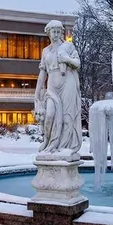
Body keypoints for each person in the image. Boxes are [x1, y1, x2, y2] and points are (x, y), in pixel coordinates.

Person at [34, 20, 82, 156]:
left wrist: (67, 59)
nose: (55, 34)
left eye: (58, 32)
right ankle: (48, 141)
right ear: (48, 33)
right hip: (52, 85)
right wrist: (37, 93)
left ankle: (64, 147)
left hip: (68, 83)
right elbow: (42, 72)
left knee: (67, 118)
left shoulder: (68, 46)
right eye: (53, 32)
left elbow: (77, 64)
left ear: (61, 33)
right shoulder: (45, 51)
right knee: (49, 115)